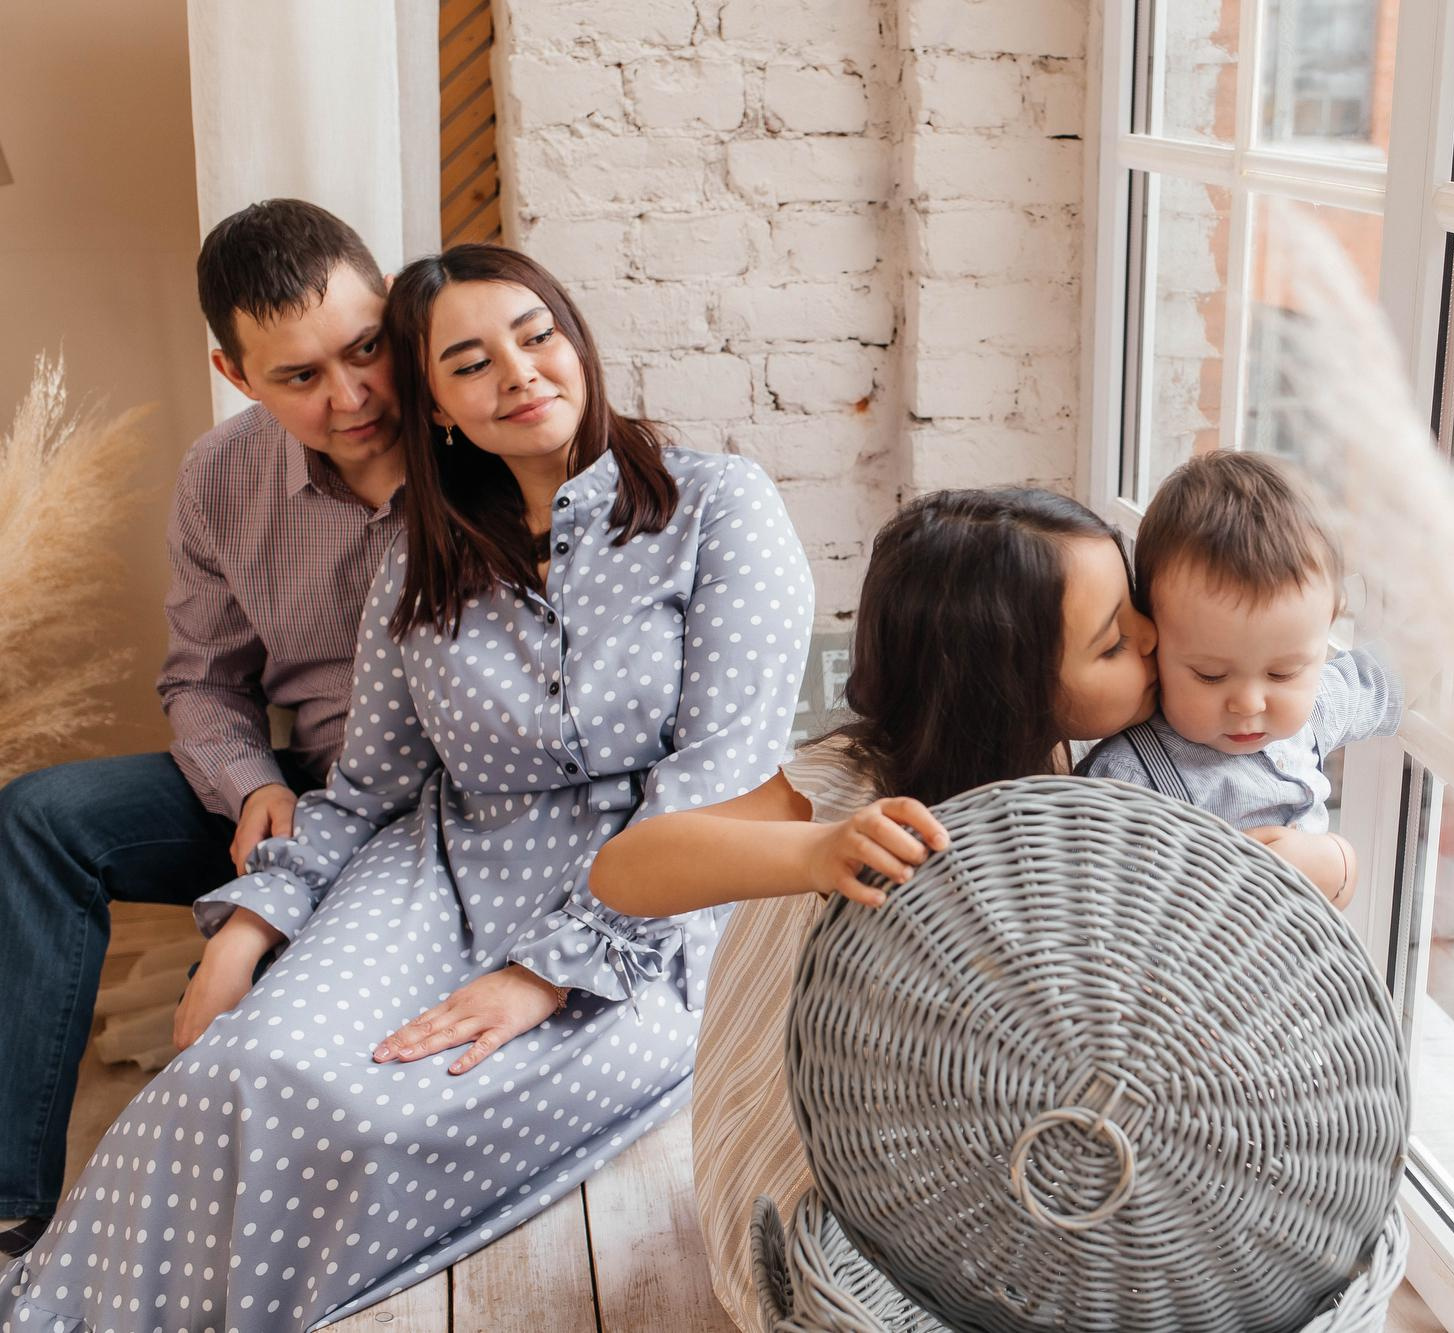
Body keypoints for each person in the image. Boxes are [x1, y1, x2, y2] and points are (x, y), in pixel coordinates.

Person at [1, 243, 813, 1331]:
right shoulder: (421, 553)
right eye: (470, 363)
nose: (519, 374)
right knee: (235, 1071)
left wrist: (542, 972)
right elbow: (367, 782)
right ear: (433, 405)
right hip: (435, 872)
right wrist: (243, 934)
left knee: (374, 1113)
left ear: (576, 337)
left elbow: (719, 779)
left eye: (537, 334)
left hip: (647, 905)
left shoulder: (719, 505)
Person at [586, 487, 1161, 1330]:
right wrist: (814, 852)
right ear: (1011, 687)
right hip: (815, 1192)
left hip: (980, 1138)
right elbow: (624, 869)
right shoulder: (849, 786)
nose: (1152, 638)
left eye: (1136, 610)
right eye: (1115, 641)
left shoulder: (1098, 761)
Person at [0, 199, 404, 1258]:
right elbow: (201, 683)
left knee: (240, 1013)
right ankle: (8, 1205)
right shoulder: (219, 479)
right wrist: (249, 781)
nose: (352, 394)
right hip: (288, 784)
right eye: (300, 376)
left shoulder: (476, 445)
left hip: (419, 808)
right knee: (40, 818)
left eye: (367, 348)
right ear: (237, 376)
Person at [1075, 450, 1405, 907]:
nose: (1249, 703)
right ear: (1155, 641)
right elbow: (1092, 913)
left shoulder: (1312, 715)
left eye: (1283, 672)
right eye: (1210, 675)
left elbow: (1389, 676)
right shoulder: (1127, 779)